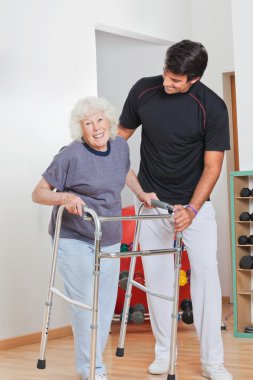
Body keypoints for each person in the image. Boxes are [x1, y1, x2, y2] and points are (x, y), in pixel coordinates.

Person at [120, 40, 233, 380]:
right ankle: (164, 352)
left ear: (194, 78)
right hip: (152, 204)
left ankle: (212, 360)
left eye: (176, 80)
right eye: (167, 73)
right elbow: (115, 144)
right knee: (157, 281)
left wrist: (193, 210)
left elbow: (213, 167)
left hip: (195, 207)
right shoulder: (143, 90)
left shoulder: (212, 107)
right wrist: (137, 189)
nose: (167, 82)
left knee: (206, 278)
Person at [32, 96, 150, 380]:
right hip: (75, 236)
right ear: (80, 128)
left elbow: (124, 171)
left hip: (108, 235)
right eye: (88, 123)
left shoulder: (120, 146)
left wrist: (142, 193)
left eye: (99, 120)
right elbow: (39, 193)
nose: (95, 127)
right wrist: (65, 197)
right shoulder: (71, 154)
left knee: (105, 305)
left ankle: (94, 363)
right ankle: (92, 370)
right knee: (85, 303)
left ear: (108, 121)